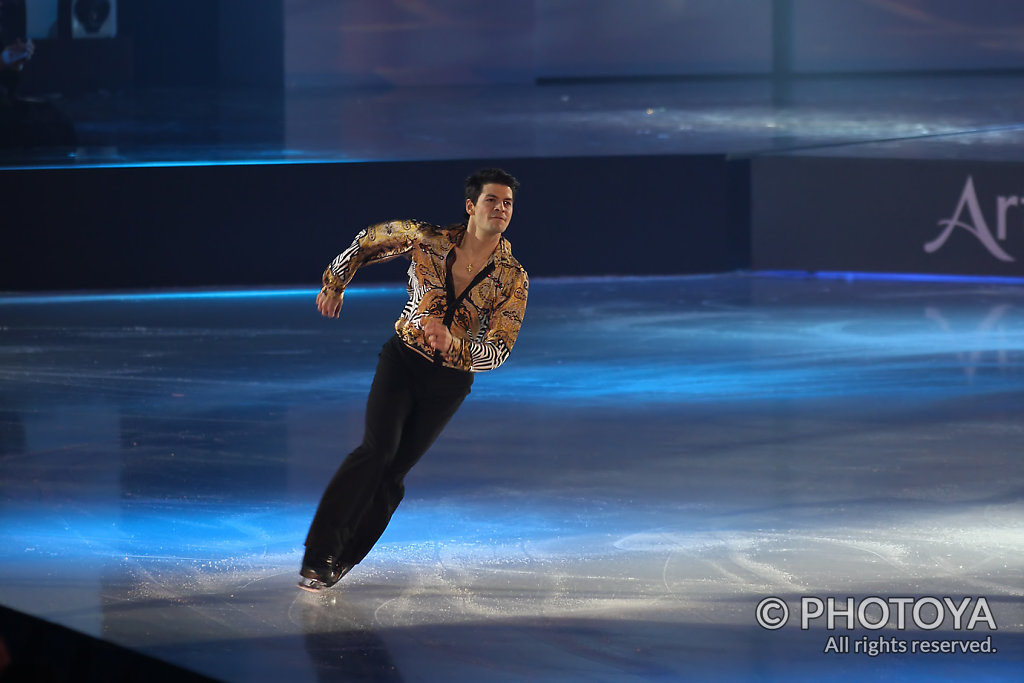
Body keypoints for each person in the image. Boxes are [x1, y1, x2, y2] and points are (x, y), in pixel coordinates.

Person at [299, 167, 529, 591]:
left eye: (508, 202)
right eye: (492, 200)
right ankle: (319, 554)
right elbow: (370, 240)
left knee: (393, 476)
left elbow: (499, 349)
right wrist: (335, 282)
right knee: (377, 450)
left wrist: (455, 346)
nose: (501, 208)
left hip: (450, 384)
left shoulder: (513, 277)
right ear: (471, 206)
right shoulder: (429, 238)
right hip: (403, 360)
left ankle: (342, 560)